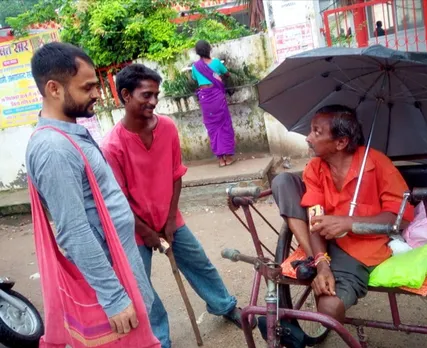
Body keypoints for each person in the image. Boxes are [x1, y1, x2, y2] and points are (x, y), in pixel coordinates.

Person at [100, 63, 255, 348]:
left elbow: (175, 176)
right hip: (133, 227)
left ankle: (224, 305)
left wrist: (170, 219)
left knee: (199, 263)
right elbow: (117, 200)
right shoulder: (112, 146)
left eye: (156, 94)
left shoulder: (168, 128)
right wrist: (147, 232)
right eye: (146, 95)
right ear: (125, 95)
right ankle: (159, 338)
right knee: (141, 288)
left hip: (169, 218)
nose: (154, 101)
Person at [26, 42, 154, 335]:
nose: (97, 94)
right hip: (112, 287)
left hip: (121, 269)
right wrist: (114, 298)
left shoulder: (67, 135)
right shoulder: (54, 149)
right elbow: (74, 230)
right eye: (88, 88)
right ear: (54, 89)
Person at [263, 105, 414, 346]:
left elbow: (401, 217)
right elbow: (315, 215)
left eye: (316, 132)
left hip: (360, 247)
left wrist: (349, 222)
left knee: (329, 309)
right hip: (321, 241)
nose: (308, 138)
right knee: (283, 182)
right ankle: (314, 262)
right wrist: (322, 264)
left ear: (341, 142)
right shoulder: (315, 167)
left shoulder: (377, 163)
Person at [191, 39, 236, 167]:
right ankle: (228, 157)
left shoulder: (195, 66)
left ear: (198, 52)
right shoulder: (216, 63)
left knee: (212, 127)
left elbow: (195, 78)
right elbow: (227, 73)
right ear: (209, 49)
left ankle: (221, 160)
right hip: (217, 97)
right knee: (224, 125)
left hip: (205, 99)